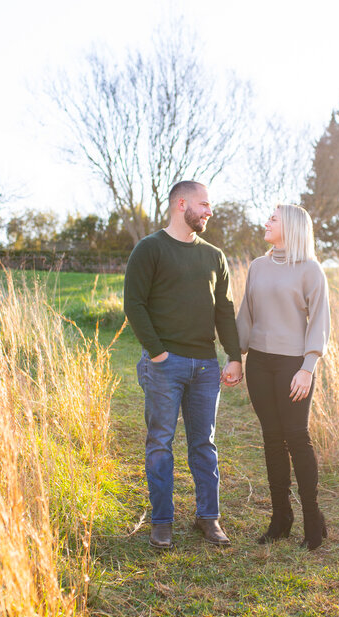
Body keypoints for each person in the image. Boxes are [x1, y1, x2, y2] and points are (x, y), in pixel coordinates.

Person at [123, 180, 244, 550]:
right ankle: (162, 522)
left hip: (206, 366)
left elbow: (224, 310)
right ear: (181, 204)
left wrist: (234, 356)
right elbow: (134, 304)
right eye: (204, 204)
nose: (209, 211)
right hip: (165, 365)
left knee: (203, 444)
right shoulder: (150, 249)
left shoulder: (214, 256)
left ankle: (208, 518)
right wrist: (158, 353)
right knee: (160, 443)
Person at [236, 204, 331, 550]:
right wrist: (235, 357)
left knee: (296, 437)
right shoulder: (258, 267)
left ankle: (312, 519)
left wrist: (308, 367)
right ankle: (280, 519)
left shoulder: (310, 269)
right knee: (272, 438)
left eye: (273, 219)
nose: (266, 222)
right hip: (259, 363)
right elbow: (245, 314)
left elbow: (320, 320)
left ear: (290, 227)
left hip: (294, 366)